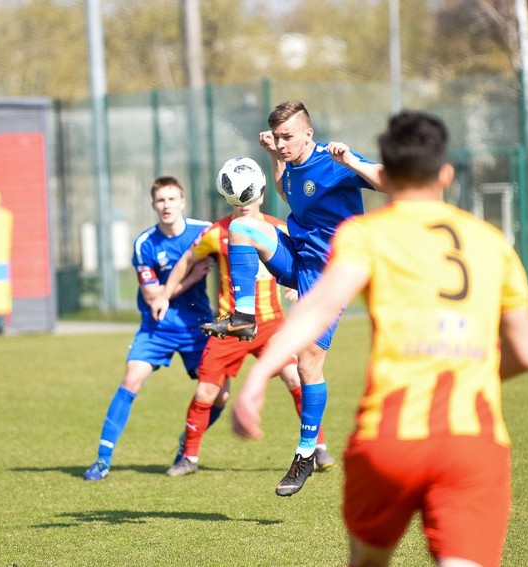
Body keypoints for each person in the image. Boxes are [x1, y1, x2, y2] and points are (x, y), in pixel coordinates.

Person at [232, 110, 528, 567]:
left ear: (389, 172)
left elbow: (316, 305)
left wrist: (259, 375)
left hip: (390, 436)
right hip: (471, 439)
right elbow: (527, 354)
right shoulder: (490, 241)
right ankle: (246, 325)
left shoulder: (367, 234)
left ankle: (306, 447)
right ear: (446, 173)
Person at [199, 100, 384, 496]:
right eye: (277, 138)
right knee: (243, 226)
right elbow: (287, 194)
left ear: (308, 134)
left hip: (330, 276)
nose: (282, 144)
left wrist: (351, 160)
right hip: (297, 257)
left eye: (287, 138)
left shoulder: (334, 161)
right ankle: (244, 315)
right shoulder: (291, 163)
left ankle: (305, 453)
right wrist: (273, 157)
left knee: (308, 364)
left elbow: (388, 181)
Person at [151, 194, 335, 476]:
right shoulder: (217, 231)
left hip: (271, 324)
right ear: (227, 197)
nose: (243, 200)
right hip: (232, 325)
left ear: (261, 194)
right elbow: (187, 258)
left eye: (249, 193)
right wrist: (164, 294)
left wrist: (297, 287)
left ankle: (318, 447)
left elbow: (301, 264)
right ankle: (188, 456)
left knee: (296, 375)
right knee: (208, 392)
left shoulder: (278, 228)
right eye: (236, 195)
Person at [83, 176, 213, 481]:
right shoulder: (145, 243)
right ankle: (102, 460)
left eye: (172, 199)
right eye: (160, 200)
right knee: (131, 379)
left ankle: (188, 441)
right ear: (153, 205)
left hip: (198, 325)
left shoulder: (204, 232)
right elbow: (154, 298)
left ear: (183, 201)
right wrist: (193, 277)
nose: (166, 206)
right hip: (158, 327)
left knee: (217, 395)